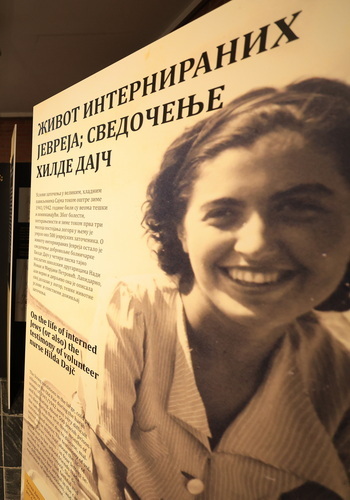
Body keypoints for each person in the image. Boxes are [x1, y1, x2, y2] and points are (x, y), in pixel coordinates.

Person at [84, 78, 350, 499]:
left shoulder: (339, 370)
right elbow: (105, 465)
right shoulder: (134, 308)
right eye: (223, 212)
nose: (256, 244)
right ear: (181, 231)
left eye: (299, 208)